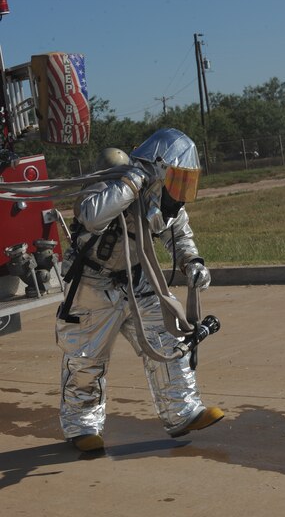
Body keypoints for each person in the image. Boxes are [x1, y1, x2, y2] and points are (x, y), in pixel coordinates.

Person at [56, 128, 224, 452]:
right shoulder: (113, 182)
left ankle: (183, 412)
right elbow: (91, 217)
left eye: (186, 181)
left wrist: (192, 263)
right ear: (158, 168)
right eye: (177, 179)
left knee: (169, 340)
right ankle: (83, 427)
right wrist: (131, 183)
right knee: (85, 359)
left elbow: (178, 234)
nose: (180, 190)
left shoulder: (162, 199)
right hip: (94, 284)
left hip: (137, 280)